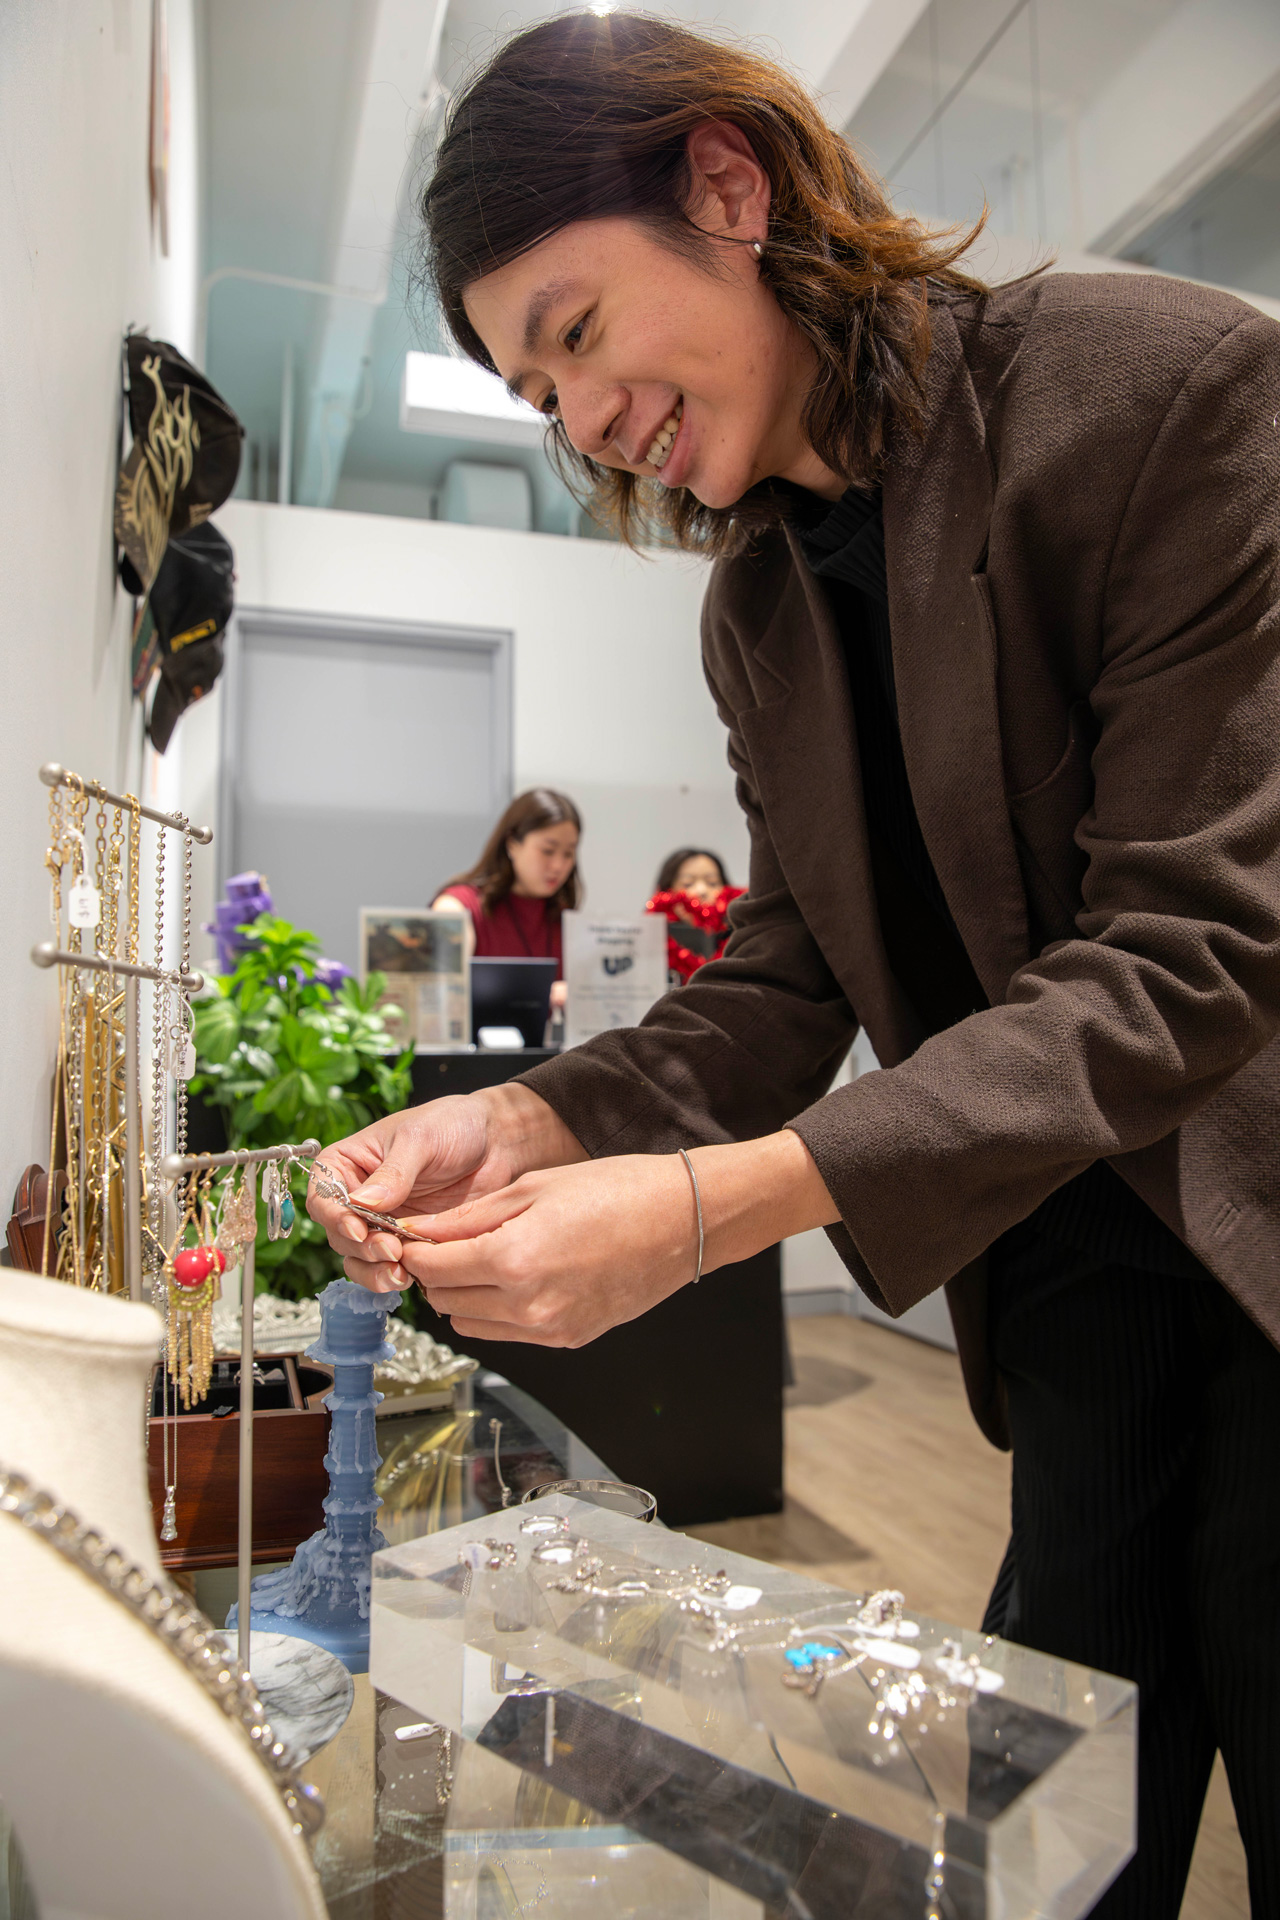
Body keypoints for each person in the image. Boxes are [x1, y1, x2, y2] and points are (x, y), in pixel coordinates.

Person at [309, 16, 1280, 1914]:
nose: (578, 420)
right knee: (1062, 1847)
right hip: (1079, 1303)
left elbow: (1185, 961)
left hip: (1259, 1258)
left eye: (576, 332)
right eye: (536, 388)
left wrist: (699, 1216)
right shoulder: (764, 608)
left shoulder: (1160, 389)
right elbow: (779, 978)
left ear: (730, 190)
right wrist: (523, 1120)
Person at [432, 790, 581, 1006]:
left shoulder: (564, 918)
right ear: (512, 843)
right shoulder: (457, 907)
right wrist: (543, 994)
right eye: (548, 851)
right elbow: (444, 994)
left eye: (569, 853)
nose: (559, 865)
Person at [647, 848, 745, 983]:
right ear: (667, 890)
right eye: (688, 884)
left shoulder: (743, 939)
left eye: (712, 883)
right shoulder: (647, 945)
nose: (701, 891)